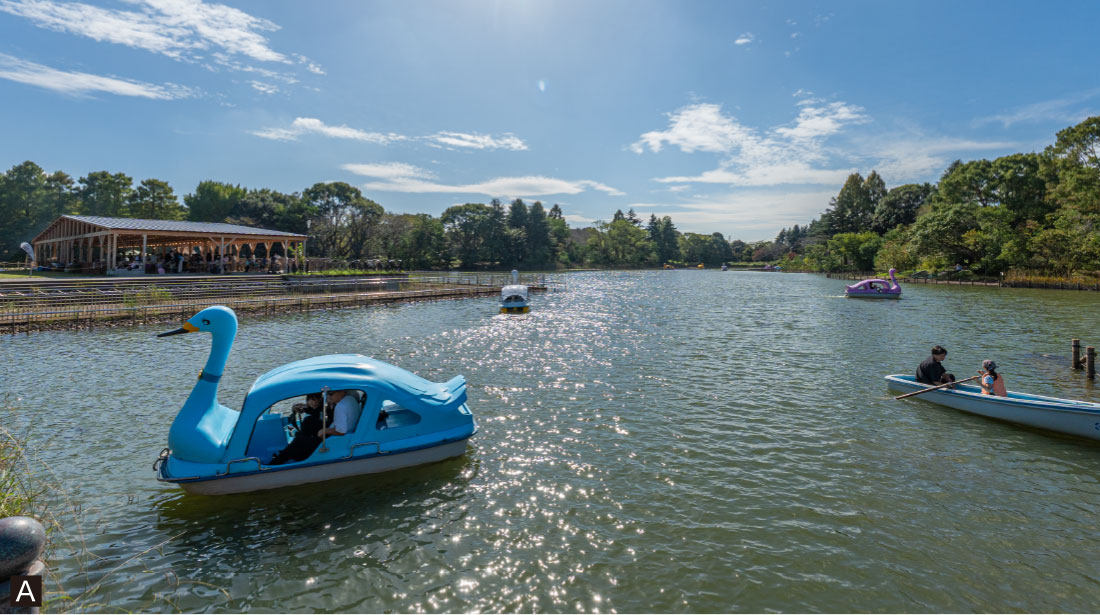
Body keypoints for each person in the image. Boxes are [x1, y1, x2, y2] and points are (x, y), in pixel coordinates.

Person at [269, 392, 331, 465]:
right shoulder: (317, 409)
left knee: (298, 439)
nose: (312, 402)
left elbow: (315, 413)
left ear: (320, 400)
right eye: (309, 400)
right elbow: (311, 409)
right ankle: (282, 457)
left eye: (314, 400)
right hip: (313, 438)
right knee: (297, 440)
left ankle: (275, 463)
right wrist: (302, 408)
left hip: (318, 441)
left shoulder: (322, 411)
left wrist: (304, 408)